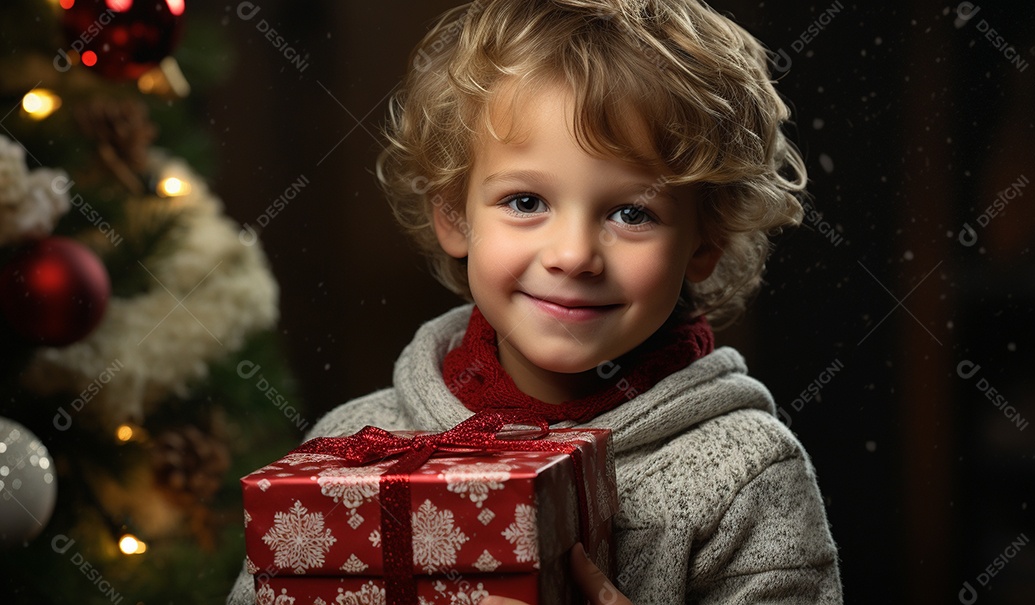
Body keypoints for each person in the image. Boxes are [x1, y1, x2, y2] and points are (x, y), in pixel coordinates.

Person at [230, 0, 842, 602]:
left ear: (704, 242)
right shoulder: (350, 447)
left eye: (633, 213)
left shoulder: (745, 477)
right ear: (453, 214)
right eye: (526, 202)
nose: (573, 255)